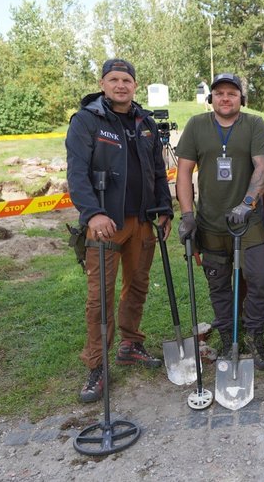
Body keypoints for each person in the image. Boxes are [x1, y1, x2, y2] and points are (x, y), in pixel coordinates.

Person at [66, 58, 173, 403]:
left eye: (127, 80)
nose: (121, 85)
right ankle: (97, 366)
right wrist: (92, 213)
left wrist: (165, 209)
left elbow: (158, 170)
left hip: (142, 221)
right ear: (102, 83)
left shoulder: (145, 123)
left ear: (135, 86)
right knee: (101, 296)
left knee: (137, 286)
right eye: (114, 79)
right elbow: (77, 173)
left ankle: (131, 344)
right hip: (105, 224)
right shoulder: (87, 121)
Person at [175, 73, 264, 370]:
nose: (226, 98)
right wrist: (187, 215)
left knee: (260, 279)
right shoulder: (196, 125)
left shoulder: (254, 124)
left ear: (240, 98)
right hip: (211, 224)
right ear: (212, 98)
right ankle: (228, 336)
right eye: (220, 93)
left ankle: (255, 334)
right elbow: (183, 172)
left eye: (232, 93)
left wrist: (246, 204)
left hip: (248, 222)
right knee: (218, 285)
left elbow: (263, 167)